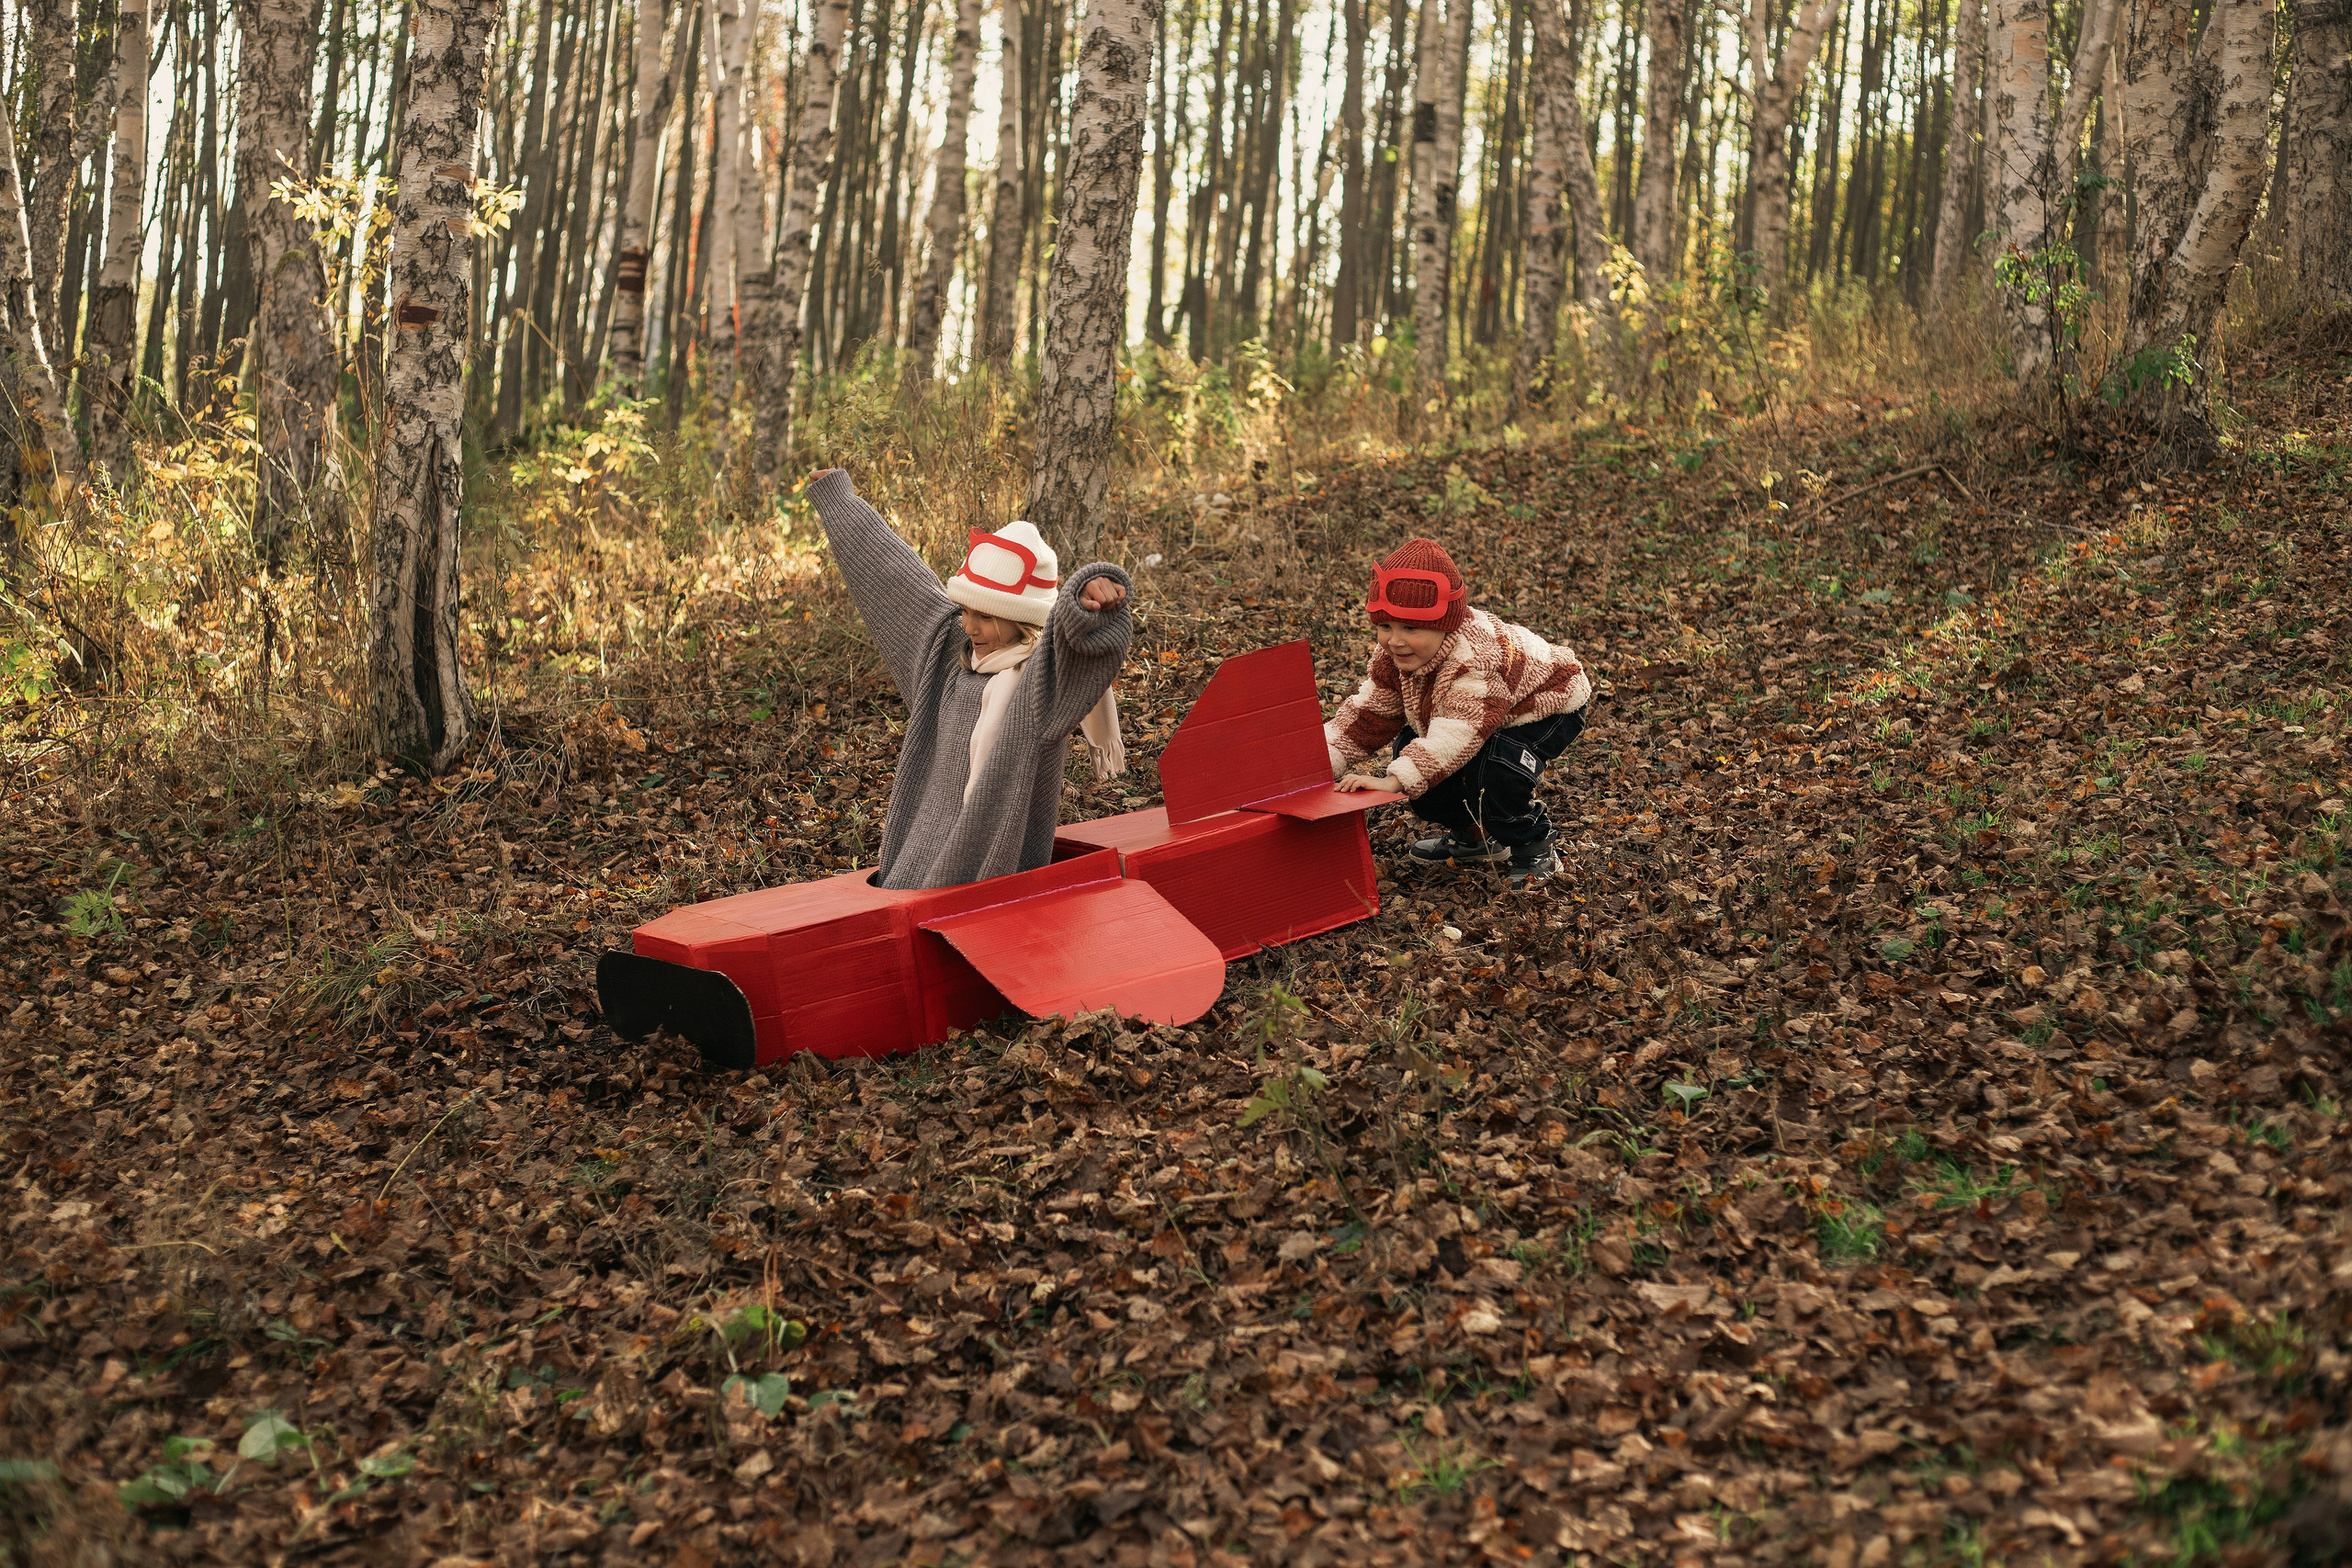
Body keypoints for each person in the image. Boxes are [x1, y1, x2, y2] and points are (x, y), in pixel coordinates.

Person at [806, 468, 1132, 890]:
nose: (970, 626)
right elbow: (893, 578)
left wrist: (1088, 601)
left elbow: (1069, 644)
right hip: (917, 858)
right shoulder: (947, 658)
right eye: (965, 610)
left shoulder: (1039, 684)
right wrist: (840, 502)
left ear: (1023, 619)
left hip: (995, 873)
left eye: (986, 616)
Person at [1327, 538, 1593, 889]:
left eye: (1411, 628)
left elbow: (1458, 734)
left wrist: (1394, 781)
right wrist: (1321, 758)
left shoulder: (1477, 658)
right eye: (1385, 626)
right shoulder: (1395, 656)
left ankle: (1534, 845)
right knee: (1413, 754)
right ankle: (1475, 836)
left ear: (1446, 624)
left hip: (1544, 703)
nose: (1395, 640)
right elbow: (1370, 713)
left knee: (1497, 768)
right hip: (1467, 715)